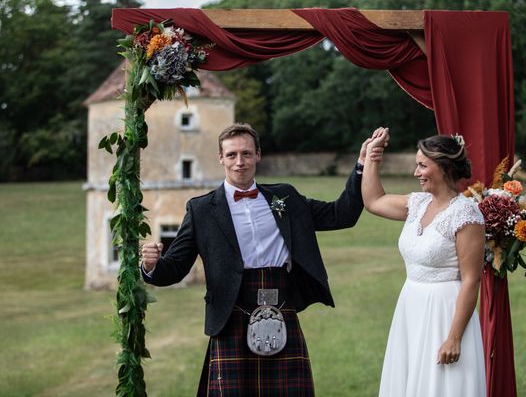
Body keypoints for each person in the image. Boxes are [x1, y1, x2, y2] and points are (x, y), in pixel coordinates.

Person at [141, 122, 373, 396]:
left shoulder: (283, 198)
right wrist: (151, 265)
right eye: (232, 155)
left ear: (258, 155)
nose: (240, 162)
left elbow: (340, 214)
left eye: (246, 154)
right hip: (231, 315)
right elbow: (175, 269)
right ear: (221, 158)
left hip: (281, 307)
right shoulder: (202, 210)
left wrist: (361, 166)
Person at [363, 128, 486, 397]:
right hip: (411, 305)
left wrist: (454, 337)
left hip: (445, 312)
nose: (415, 172)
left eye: (422, 165)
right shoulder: (416, 204)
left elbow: (471, 279)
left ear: (443, 167)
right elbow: (373, 201)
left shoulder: (466, 214)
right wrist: (373, 155)